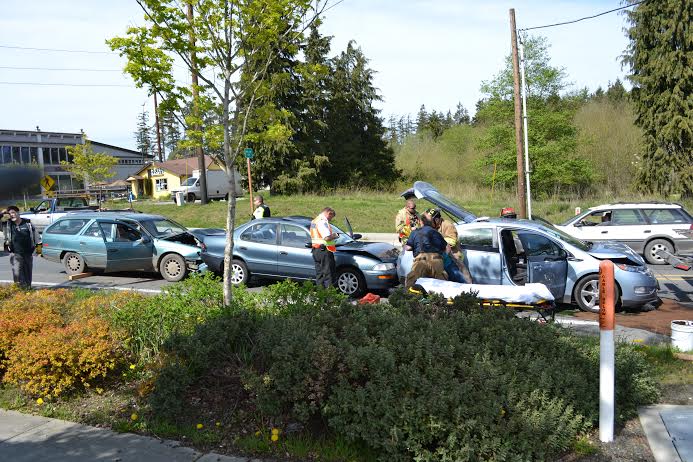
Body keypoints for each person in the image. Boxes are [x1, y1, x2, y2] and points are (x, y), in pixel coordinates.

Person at [405, 208, 448, 288]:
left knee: (412, 282)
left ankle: (410, 298)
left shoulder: (415, 232)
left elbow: (408, 248)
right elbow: (446, 248)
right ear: (432, 222)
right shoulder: (436, 233)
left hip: (421, 260)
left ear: (421, 222)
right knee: (441, 284)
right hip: (436, 260)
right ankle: (440, 299)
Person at [1, 205, 41, 289]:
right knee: (17, 274)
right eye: (9, 213)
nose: (11, 215)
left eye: (13, 212)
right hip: (15, 253)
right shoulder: (7, 224)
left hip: (28, 253)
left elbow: (37, 237)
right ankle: (19, 291)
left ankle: (28, 289)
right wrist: (2, 213)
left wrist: (39, 251)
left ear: (18, 213)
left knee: (27, 273)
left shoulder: (28, 223)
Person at [438, 217, 473, 284]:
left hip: (455, 256)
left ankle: (469, 290)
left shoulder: (448, 225)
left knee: (462, 277)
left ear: (436, 219)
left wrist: (439, 238)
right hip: (446, 257)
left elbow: (452, 241)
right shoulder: (436, 225)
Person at [310, 207, 338, 288]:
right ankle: (330, 299)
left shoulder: (314, 221)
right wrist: (336, 235)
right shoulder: (322, 222)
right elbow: (327, 238)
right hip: (324, 251)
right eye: (331, 217)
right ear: (329, 213)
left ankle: (321, 297)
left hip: (316, 250)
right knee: (328, 275)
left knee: (320, 275)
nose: (330, 219)